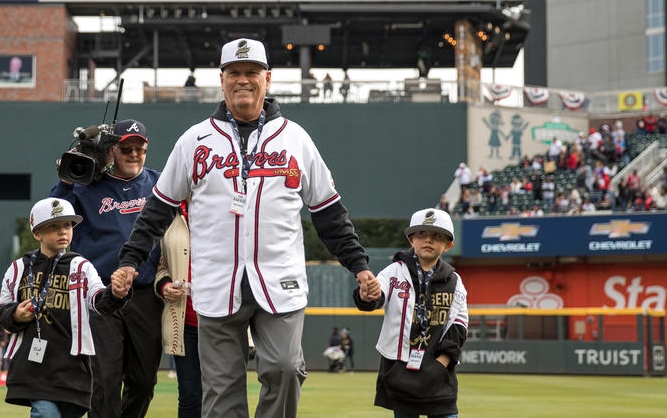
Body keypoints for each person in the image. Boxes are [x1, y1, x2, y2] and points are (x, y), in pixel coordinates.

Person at [115, 38, 379, 417]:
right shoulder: (194, 140)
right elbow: (157, 211)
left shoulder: (296, 138)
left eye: (251, 72)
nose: (243, 80)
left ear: (267, 79)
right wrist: (130, 260)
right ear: (221, 80)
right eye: (234, 73)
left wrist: (360, 266)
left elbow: (329, 212)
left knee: (286, 369)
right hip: (216, 282)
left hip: (279, 279)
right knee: (221, 395)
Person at [48, 119, 163, 418]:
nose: (134, 154)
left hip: (145, 294)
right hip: (100, 295)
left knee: (144, 380)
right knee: (105, 380)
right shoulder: (87, 186)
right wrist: (68, 178)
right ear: (112, 150)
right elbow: (54, 216)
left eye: (140, 148)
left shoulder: (159, 183)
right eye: (127, 148)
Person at [0, 197, 129, 418]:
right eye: (53, 227)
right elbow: (2, 308)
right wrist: (15, 314)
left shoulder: (81, 266)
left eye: (67, 225)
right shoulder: (19, 268)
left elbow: (99, 302)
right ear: (37, 233)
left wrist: (116, 293)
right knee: (44, 413)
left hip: (73, 368)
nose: (62, 232)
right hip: (34, 366)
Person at [355, 208, 468, 418]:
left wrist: (439, 366)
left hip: (439, 372)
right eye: (422, 234)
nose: (429, 240)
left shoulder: (455, 281)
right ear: (411, 239)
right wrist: (367, 294)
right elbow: (376, 296)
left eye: (437, 236)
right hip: (401, 370)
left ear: (448, 245)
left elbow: (458, 326)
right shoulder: (393, 271)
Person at [154, 206, 201, 417]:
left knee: (225, 395)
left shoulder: (227, 203)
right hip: (186, 321)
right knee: (190, 397)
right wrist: (164, 284)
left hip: (223, 321)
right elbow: (160, 265)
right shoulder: (169, 213)